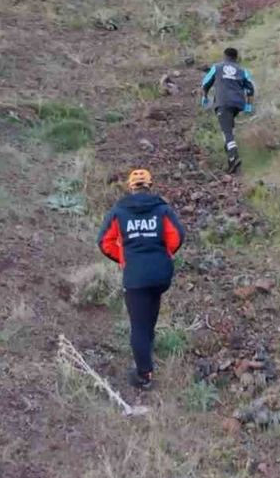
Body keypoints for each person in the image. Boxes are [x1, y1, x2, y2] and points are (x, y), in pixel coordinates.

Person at [96, 169, 186, 390]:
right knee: (149, 317)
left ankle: (143, 375)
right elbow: (177, 236)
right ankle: (147, 351)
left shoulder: (119, 211)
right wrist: (163, 255)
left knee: (138, 326)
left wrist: (123, 259)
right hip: (160, 276)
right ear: (149, 185)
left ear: (130, 187)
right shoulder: (162, 209)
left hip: (136, 277)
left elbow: (104, 242)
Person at [201, 47, 255, 173]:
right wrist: (249, 106)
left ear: (224, 56)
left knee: (227, 132)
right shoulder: (243, 71)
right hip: (237, 104)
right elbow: (250, 89)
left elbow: (205, 84)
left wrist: (204, 97)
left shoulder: (217, 67)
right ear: (236, 58)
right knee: (228, 128)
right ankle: (231, 162)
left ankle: (233, 157)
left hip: (223, 103)